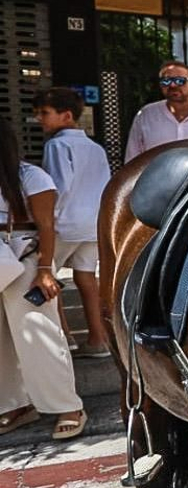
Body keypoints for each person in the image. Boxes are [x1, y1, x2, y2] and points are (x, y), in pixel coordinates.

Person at [0, 121, 86, 440]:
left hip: (23, 256)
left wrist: (46, 270)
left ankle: (68, 406)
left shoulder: (31, 176)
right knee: (1, 342)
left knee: (40, 334)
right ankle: (16, 404)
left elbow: (48, 227)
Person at [34, 88, 112, 357]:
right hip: (92, 223)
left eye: (45, 113)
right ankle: (98, 338)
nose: (39, 119)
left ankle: (65, 337)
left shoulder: (56, 145)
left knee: (49, 276)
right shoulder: (96, 148)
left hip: (64, 223)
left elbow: (57, 187)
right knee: (87, 277)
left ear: (66, 116)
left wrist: (44, 223)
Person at [122, 60, 188, 162]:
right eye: (166, 81)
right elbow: (132, 159)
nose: (172, 86)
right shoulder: (146, 116)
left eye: (180, 81)